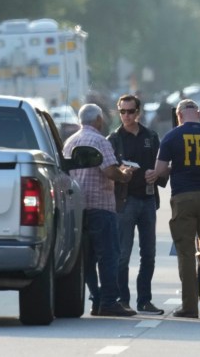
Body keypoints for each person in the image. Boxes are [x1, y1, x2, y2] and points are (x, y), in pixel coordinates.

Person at [149, 99, 200, 319]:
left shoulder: (171, 137)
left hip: (183, 198)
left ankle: (189, 307)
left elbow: (159, 170)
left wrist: (178, 169)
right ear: (198, 113)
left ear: (179, 115)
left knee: (186, 253)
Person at [63, 103, 137, 317]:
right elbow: (110, 171)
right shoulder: (100, 141)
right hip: (101, 207)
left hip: (78, 208)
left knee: (87, 258)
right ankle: (109, 301)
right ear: (97, 120)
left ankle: (96, 298)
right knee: (109, 256)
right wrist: (125, 175)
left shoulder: (70, 142)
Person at [107, 94, 167, 315]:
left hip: (148, 199)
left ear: (138, 112)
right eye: (122, 112)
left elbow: (163, 166)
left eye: (130, 111)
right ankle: (123, 300)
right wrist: (121, 173)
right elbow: (106, 170)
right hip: (125, 201)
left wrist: (157, 174)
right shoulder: (114, 139)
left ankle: (145, 300)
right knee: (122, 254)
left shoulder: (150, 136)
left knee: (148, 254)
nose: (127, 116)